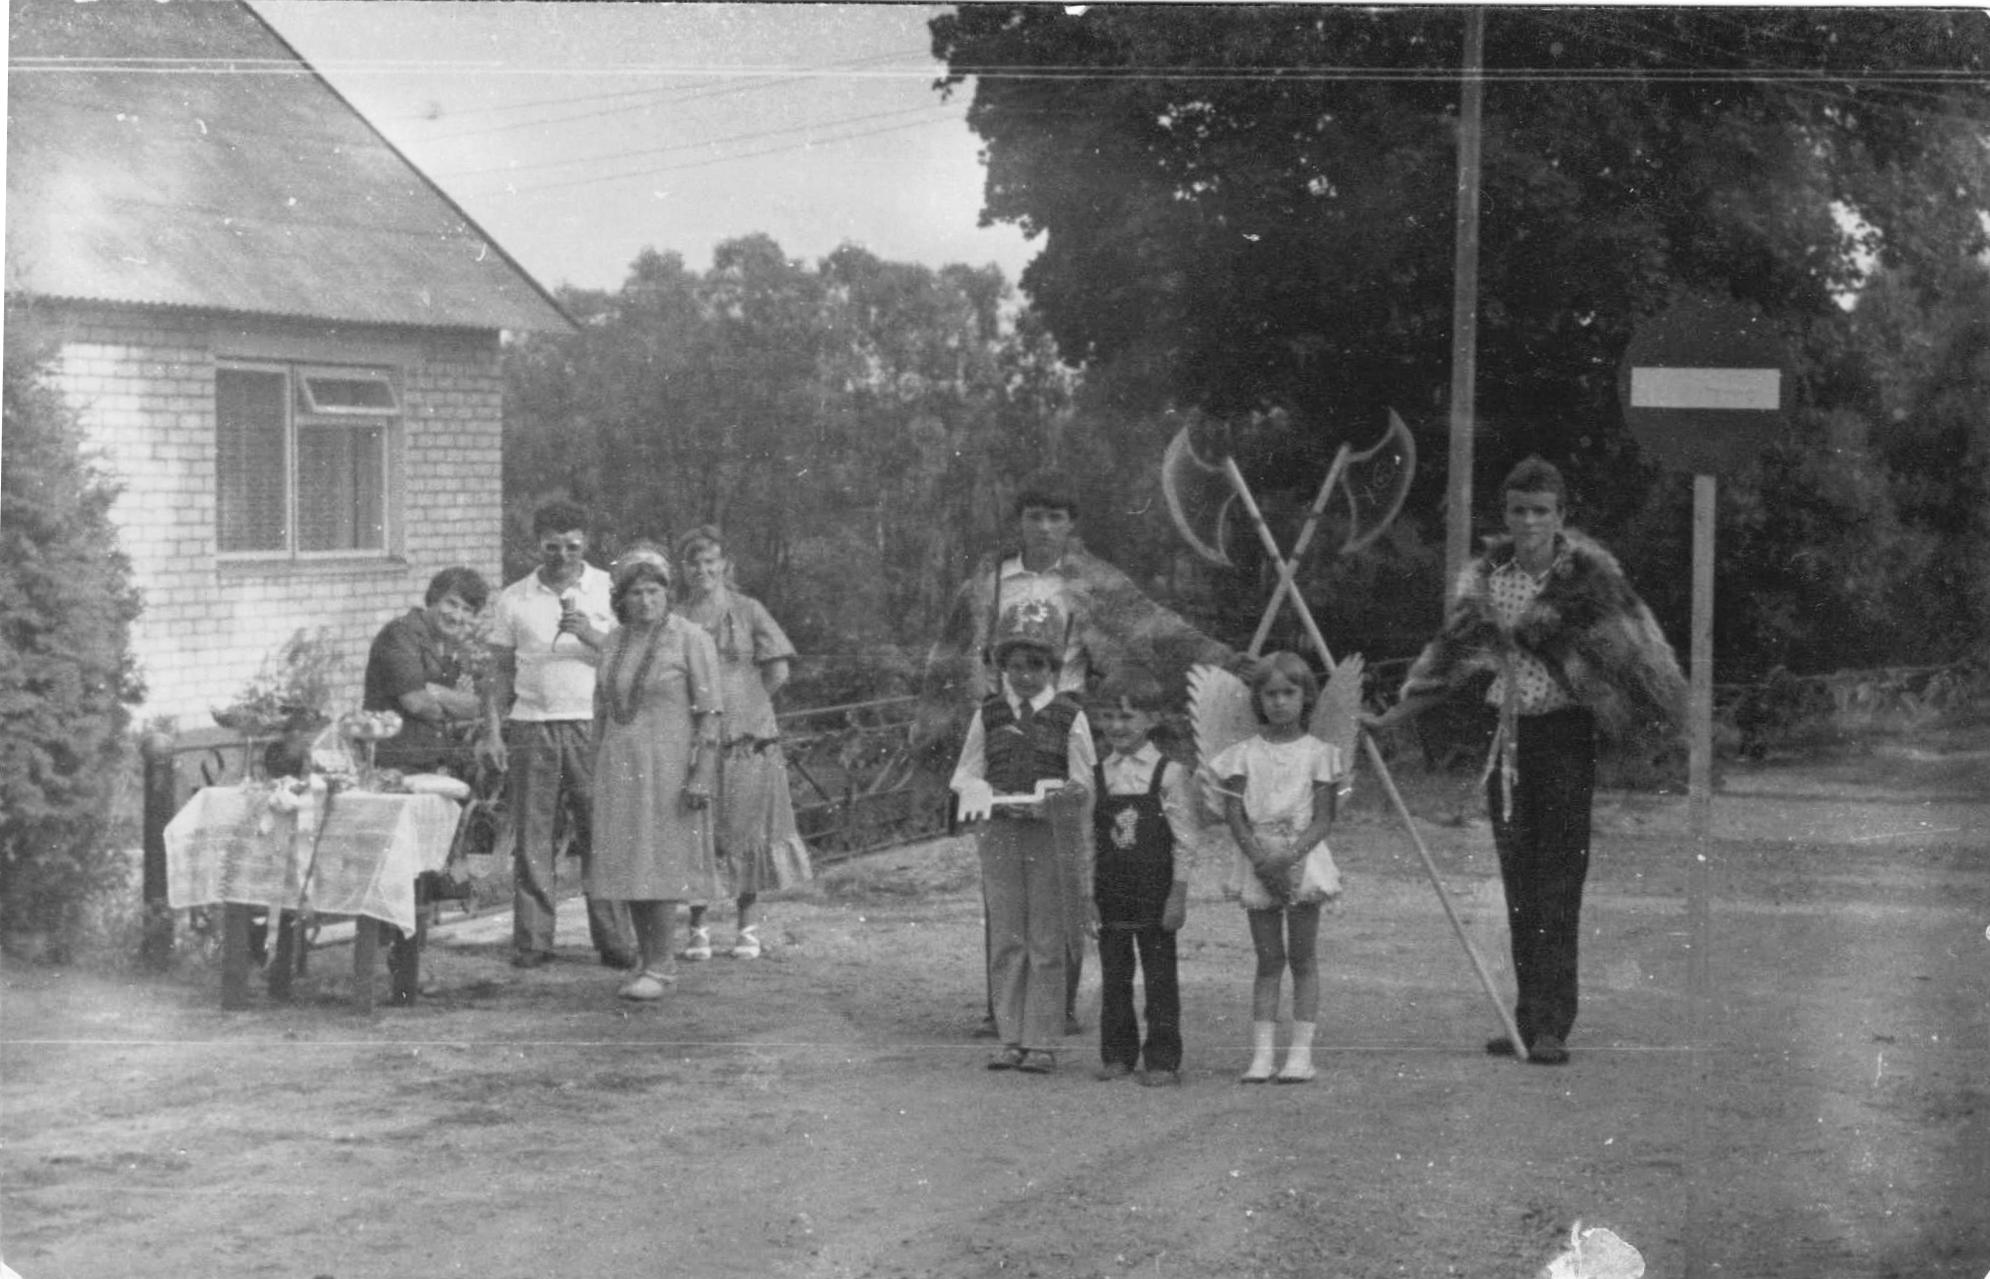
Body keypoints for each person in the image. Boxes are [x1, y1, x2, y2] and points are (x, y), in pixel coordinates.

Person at [1365, 457, 1685, 1066]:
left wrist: (1659, 735)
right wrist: (1388, 719)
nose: (1529, 522)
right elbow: (1448, 660)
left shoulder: (1588, 582)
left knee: (1558, 883)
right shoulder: (1489, 582)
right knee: (1517, 883)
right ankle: (1525, 1017)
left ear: (1562, 517)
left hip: (1565, 739)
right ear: (1505, 515)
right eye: (1519, 511)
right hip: (1508, 745)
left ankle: (1552, 1025)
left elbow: (1639, 660)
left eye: (1542, 511)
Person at [914, 469, 1249, 1038]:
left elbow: (1160, 630)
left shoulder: (1091, 580)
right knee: (1004, 871)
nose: (1043, 527)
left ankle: (1056, 1002)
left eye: (1055, 518)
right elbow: (947, 662)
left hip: (1066, 721)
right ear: (1018, 521)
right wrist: (938, 742)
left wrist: (1237, 664)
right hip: (998, 725)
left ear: (1071, 526)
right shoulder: (988, 582)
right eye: (1034, 516)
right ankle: (1005, 1004)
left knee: (1065, 864)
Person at [484, 500, 638, 971]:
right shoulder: (514, 598)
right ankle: (533, 941)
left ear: (586, 543)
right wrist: (493, 730)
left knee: (601, 832)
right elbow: (499, 673)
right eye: (553, 546)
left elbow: (632, 656)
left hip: (592, 724)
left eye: (573, 545)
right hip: (532, 725)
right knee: (533, 837)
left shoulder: (610, 591)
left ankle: (614, 940)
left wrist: (591, 634)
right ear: (538, 544)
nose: (563, 556)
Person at [950, 600, 1096, 1075]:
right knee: (1008, 934)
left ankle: (1042, 1038)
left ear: (1052, 667)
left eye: (1036, 666)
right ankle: (1010, 1035)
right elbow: (966, 773)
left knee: (1047, 936)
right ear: (1002, 668)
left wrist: (1055, 800)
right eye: (1015, 666)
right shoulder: (989, 715)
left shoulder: (1070, 716)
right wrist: (984, 794)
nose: (1025, 676)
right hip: (1000, 833)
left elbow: (1084, 781)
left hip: (1050, 835)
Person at [670, 525, 812, 963]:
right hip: (693, 736)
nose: (703, 570)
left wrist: (746, 707)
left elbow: (778, 670)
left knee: (749, 829)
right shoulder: (676, 616)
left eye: (711, 561)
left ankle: (746, 926)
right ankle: (698, 927)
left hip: (748, 739)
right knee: (697, 829)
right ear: (683, 568)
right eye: (694, 562)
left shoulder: (748, 610)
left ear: (725, 565)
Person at [588, 552, 724, 1000]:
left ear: (667, 593)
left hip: (667, 768)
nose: (646, 601)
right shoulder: (612, 642)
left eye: (654, 591)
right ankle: (646, 961)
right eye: (636, 593)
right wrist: (596, 766)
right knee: (630, 863)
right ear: (621, 599)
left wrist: (701, 774)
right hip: (619, 767)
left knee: (660, 861)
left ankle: (664, 966)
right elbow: (602, 711)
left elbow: (710, 715)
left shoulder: (691, 638)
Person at [1207, 652, 1347, 1084]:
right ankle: (1262, 1054)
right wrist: (1259, 859)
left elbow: (1324, 817)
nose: (1280, 702)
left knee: (1302, 957)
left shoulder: (1319, 753)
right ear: (1258, 699)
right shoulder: (1242, 755)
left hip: (1301, 855)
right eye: (1270, 694)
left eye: (1289, 692)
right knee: (1268, 959)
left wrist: (1288, 857)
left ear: (1305, 697)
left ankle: (1300, 1054)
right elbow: (1234, 815)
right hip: (1258, 854)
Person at [1087, 667, 1199, 1087]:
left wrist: (1178, 895)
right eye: (1109, 717)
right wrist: (1088, 894)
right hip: (1112, 889)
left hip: (1154, 891)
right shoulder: (1098, 775)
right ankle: (1117, 1053)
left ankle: (1163, 1058)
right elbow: (1087, 839)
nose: (1116, 726)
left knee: (1159, 976)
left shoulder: (1169, 774)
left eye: (1127, 717)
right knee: (1114, 976)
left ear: (1150, 719)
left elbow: (1185, 841)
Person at [362, 566, 490, 775]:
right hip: (395, 764)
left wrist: (434, 691)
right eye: (452, 604)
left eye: (467, 610)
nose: (457, 616)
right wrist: (453, 702)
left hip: (437, 761)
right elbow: (416, 703)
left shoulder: (454, 644)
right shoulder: (400, 634)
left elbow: (474, 707)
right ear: (434, 598)